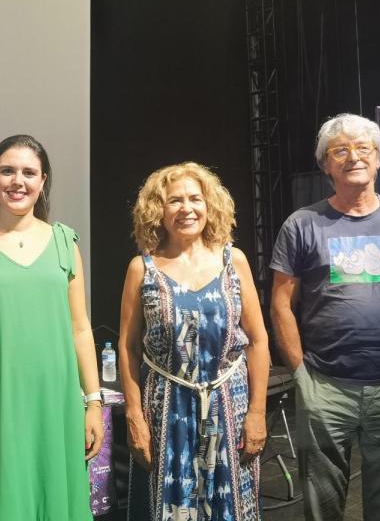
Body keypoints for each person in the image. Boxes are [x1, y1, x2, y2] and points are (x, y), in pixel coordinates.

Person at [270, 113, 380, 521]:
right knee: (322, 508)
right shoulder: (302, 225)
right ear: (326, 164)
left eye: (363, 147)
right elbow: (281, 303)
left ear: (379, 158)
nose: (353, 156)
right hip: (326, 388)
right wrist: (301, 373)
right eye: (340, 150)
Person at [0, 134, 103, 520]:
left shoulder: (65, 242)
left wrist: (93, 402)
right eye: (7, 171)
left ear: (43, 181)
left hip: (53, 406)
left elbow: (80, 329)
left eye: (29, 172)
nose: (17, 181)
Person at [118, 162, 269, 520]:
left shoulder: (235, 262)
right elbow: (127, 347)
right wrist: (135, 418)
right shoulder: (143, 269)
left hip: (229, 409)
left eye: (194, 199)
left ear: (209, 205)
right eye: (174, 201)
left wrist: (258, 413)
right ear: (159, 210)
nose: (186, 209)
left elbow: (258, 341)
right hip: (165, 410)